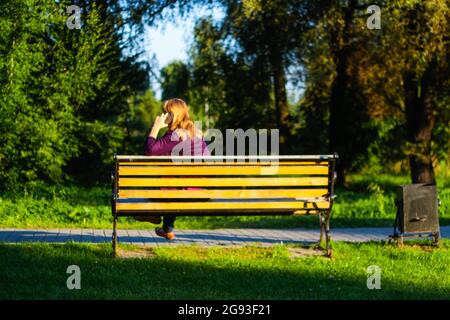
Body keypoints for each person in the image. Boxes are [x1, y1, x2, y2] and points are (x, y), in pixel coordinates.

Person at [137, 98, 209, 240]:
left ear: (173, 115)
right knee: (173, 180)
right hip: (202, 192)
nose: (164, 115)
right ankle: (167, 228)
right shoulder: (196, 133)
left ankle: (152, 212)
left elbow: (149, 150)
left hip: (182, 193)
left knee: (168, 183)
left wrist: (156, 127)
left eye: (166, 112)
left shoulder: (174, 135)